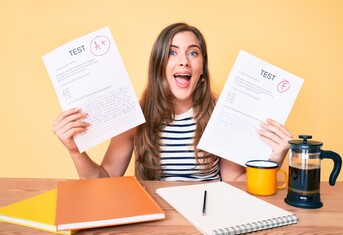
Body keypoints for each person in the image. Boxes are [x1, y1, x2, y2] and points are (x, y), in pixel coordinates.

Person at [53, 22, 292, 181]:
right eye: (172, 52)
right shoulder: (135, 117)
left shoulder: (219, 115)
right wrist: (75, 151)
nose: (184, 61)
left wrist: (274, 158)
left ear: (201, 68)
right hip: (153, 226)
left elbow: (235, 182)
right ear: (159, 65)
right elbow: (103, 181)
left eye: (193, 52)